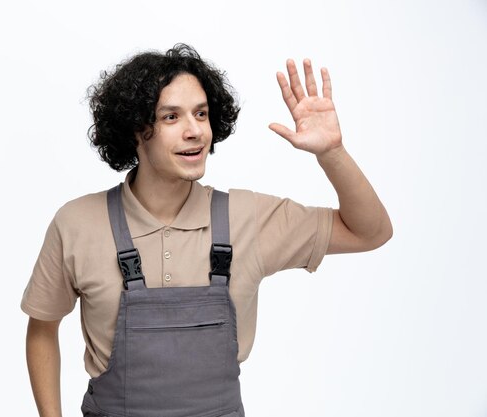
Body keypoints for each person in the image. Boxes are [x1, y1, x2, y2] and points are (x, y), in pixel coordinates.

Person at [21, 43, 392, 417]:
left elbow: (370, 232)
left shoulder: (248, 217)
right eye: (171, 117)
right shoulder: (78, 223)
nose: (195, 131)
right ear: (136, 129)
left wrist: (332, 152)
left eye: (201, 114)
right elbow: (42, 328)